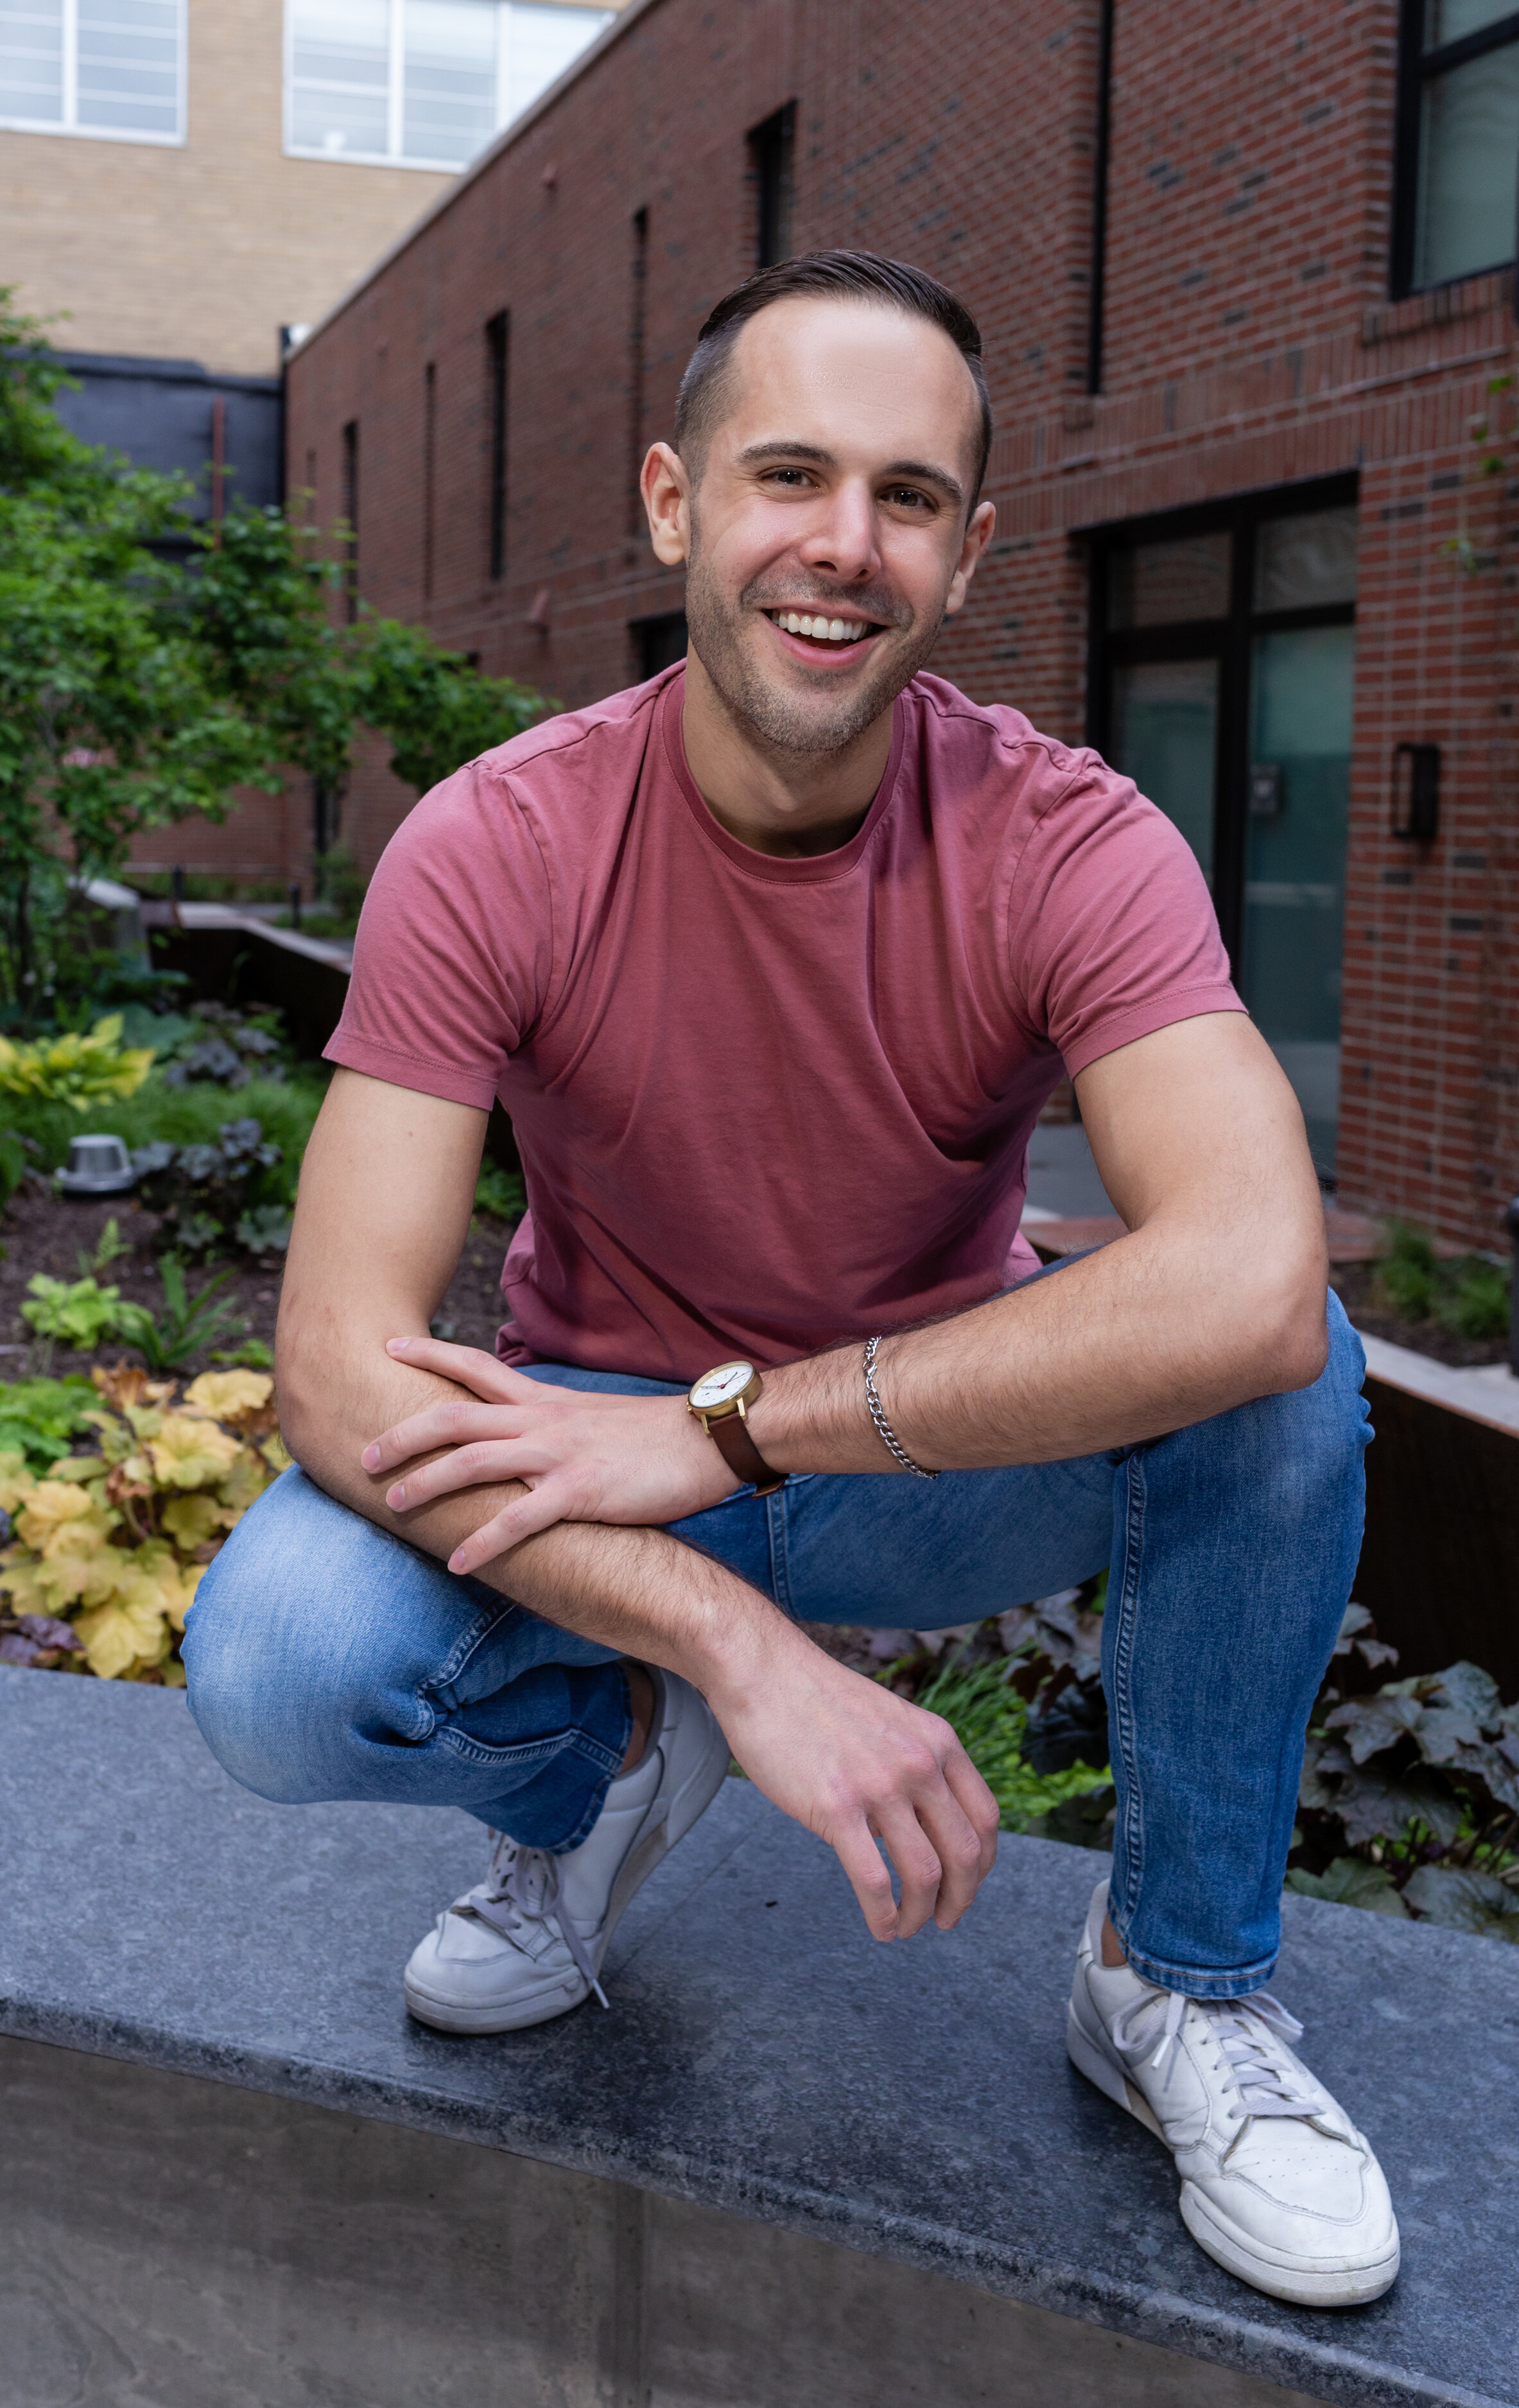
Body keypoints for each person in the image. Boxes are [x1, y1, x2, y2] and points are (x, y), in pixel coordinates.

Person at [183, 250, 1396, 2310]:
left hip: (900, 1454)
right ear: (673, 503)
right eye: (786, 477)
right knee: (286, 1649)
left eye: (906, 497)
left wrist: (727, 1430)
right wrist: (730, 1652)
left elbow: (1255, 1274)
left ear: (970, 546)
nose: (840, 547)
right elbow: (334, 1372)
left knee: (1284, 1380)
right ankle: (616, 1766)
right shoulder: (497, 844)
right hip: (588, 1461)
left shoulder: (1064, 839)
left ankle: (1175, 1989)